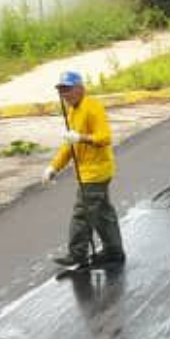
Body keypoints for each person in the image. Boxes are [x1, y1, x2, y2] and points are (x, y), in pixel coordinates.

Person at [43, 71, 125, 267]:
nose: (65, 95)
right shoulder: (72, 111)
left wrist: (82, 138)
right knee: (103, 214)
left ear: (80, 88)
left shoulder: (92, 107)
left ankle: (77, 254)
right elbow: (69, 146)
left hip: (96, 172)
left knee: (82, 214)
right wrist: (54, 167)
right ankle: (114, 251)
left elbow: (105, 137)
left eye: (68, 89)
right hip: (89, 172)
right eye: (61, 90)